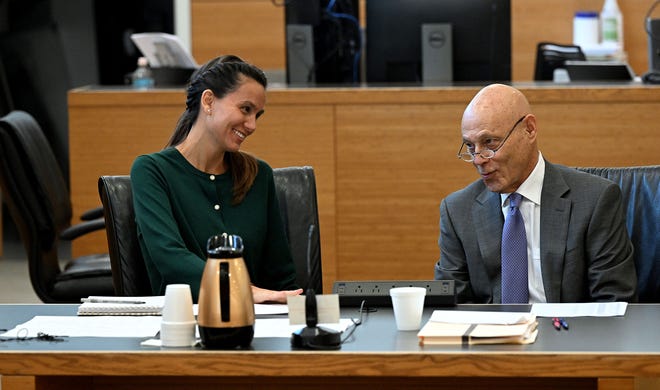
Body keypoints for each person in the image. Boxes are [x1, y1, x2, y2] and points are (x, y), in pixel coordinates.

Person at [434, 83, 637, 303]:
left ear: (529, 129)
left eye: (490, 142)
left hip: (568, 333)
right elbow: (451, 306)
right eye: (470, 147)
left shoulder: (595, 200)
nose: (478, 159)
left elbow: (614, 304)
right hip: (492, 335)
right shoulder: (457, 211)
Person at [131, 54, 303, 303]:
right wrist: (245, 289)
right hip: (183, 326)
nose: (252, 125)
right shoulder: (152, 171)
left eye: (257, 115)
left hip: (255, 327)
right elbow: (170, 259)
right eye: (246, 109)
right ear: (209, 101)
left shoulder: (259, 175)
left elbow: (282, 276)